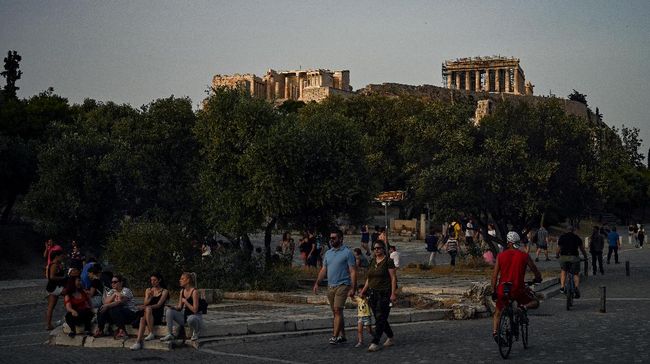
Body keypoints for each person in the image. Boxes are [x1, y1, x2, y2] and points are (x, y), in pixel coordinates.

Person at [491, 232, 542, 342]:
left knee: (498, 312)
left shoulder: (500, 256)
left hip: (502, 289)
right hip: (518, 289)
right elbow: (534, 269)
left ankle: (495, 333)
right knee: (535, 302)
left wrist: (493, 290)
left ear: (508, 243)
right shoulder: (524, 256)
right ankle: (523, 307)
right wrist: (538, 278)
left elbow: (494, 276)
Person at [313, 229, 357, 345]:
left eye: (334, 238)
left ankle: (334, 336)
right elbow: (324, 269)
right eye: (330, 238)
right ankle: (343, 335)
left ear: (341, 239)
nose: (331, 240)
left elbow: (353, 271)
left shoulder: (347, 253)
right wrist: (317, 282)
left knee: (338, 310)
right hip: (330, 286)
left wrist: (353, 287)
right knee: (336, 312)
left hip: (343, 285)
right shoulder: (328, 253)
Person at [360, 240, 397, 352]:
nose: (376, 250)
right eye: (375, 248)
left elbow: (393, 278)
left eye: (379, 248)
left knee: (380, 318)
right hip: (372, 293)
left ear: (383, 249)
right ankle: (390, 337)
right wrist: (363, 291)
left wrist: (393, 293)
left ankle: (375, 342)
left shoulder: (388, 261)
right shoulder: (372, 261)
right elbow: (369, 278)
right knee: (379, 318)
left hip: (384, 293)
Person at [131, 273, 170, 350]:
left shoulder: (164, 291)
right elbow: (145, 303)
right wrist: (149, 297)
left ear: (159, 280)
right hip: (147, 313)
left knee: (147, 311)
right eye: (151, 280)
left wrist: (146, 307)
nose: (152, 282)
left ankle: (142, 339)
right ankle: (139, 341)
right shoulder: (148, 290)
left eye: (154, 280)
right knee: (143, 317)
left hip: (156, 313)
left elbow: (159, 305)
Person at [161, 272, 203, 342]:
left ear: (188, 280)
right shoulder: (182, 291)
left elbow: (195, 310)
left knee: (191, 319)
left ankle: (196, 332)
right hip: (186, 317)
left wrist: (186, 302)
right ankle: (169, 334)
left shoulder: (194, 292)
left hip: (195, 317)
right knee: (169, 311)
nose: (180, 280)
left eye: (182, 279)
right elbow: (180, 307)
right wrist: (173, 307)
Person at [95, 274, 137, 339]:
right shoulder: (112, 291)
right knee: (102, 307)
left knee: (113, 308)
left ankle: (122, 331)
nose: (112, 284)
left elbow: (120, 302)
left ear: (121, 283)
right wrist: (114, 294)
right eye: (111, 282)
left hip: (129, 314)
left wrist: (108, 305)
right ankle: (100, 329)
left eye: (115, 282)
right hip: (116, 315)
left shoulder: (126, 290)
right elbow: (105, 302)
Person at [557, 226, 588, 297]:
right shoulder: (577, 237)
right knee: (576, 273)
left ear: (566, 230)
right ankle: (576, 288)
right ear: (573, 230)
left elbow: (559, 248)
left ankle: (562, 287)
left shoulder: (562, 237)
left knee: (563, 271)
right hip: (574, 258)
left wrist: (557, 255)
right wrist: (585, 257)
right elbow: (582, 249)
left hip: (563, 257)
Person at [45, 250, 66, 330]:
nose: (62, 257)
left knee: (51, 306)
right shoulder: (54, 265)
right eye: (61, 256)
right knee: (68, 293)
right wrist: (63, 278)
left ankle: (48, 324)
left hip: (54, 287)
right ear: (56, 256)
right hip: (54, 287)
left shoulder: (58, 264)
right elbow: (52, 277)